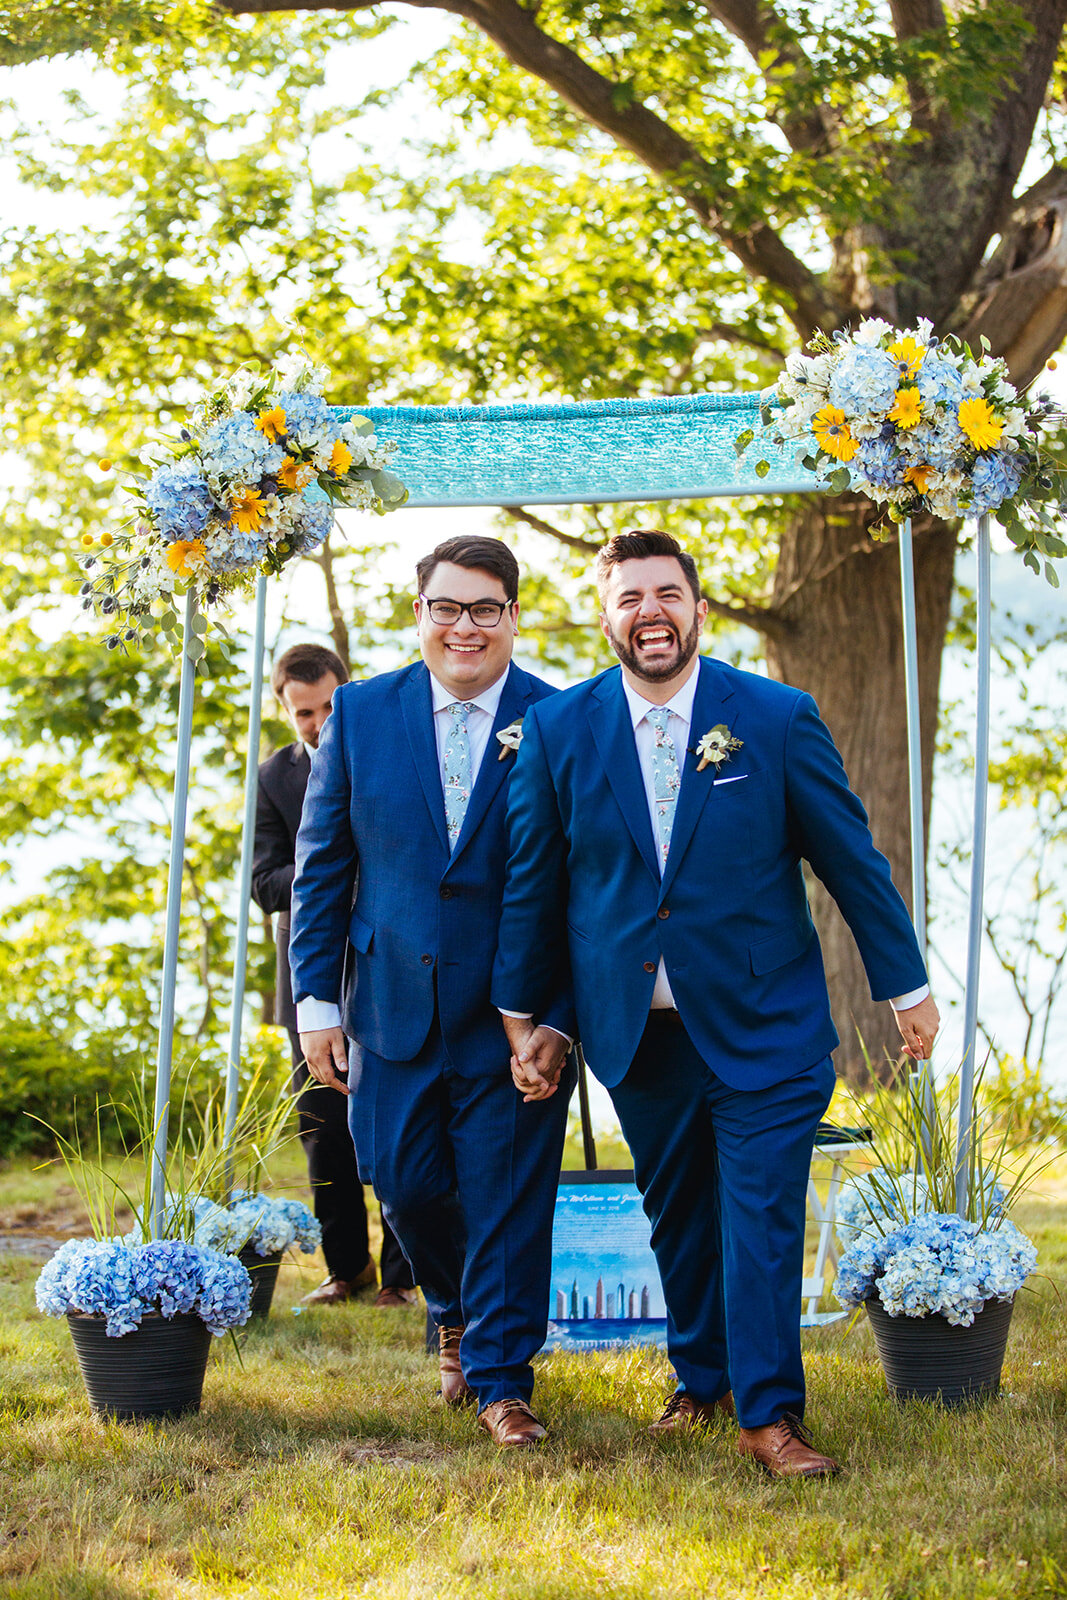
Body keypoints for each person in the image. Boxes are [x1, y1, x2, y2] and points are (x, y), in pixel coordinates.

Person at [492, 529, 939, 1478]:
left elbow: (850, 864)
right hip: (635, 1033)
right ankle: (701, 1381)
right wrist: (529, 1019)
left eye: (667, 594)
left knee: (761, 1216)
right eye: (628, 598)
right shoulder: (561, 732)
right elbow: (539, 887)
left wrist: (904, 987)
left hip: (765, 1024)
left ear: (697, 608)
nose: (648, 612)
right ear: (606, 616)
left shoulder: (773, 717)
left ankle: (769, 1416)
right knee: (679, 1218)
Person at [289, 536, 574, 1448]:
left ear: (513, 619)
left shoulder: (559, 717)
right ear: (419, 613)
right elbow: (321, 868)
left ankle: (500, 1382)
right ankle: (452, 1307)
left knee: (506, 1200)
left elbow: (587, 883)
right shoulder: (362, 713)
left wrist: (559, 1021)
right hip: (388, 1009)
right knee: (404, 1186)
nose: (464, 627)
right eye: (446, 607)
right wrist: (318, 1006)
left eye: (484, 609)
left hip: (513, 1019)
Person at [252, 642, 415, 1309]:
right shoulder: (273, 777)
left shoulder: (390, 752)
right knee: (321, 1118)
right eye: (302, 713)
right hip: (311, 965)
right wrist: (327, 869)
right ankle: (343, 1268)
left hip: (388, 959)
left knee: (406, 1111)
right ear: (284, 710)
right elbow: (264, 884)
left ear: (345, 693)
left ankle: (402, 1276)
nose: (317, 723)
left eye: (325, 707)